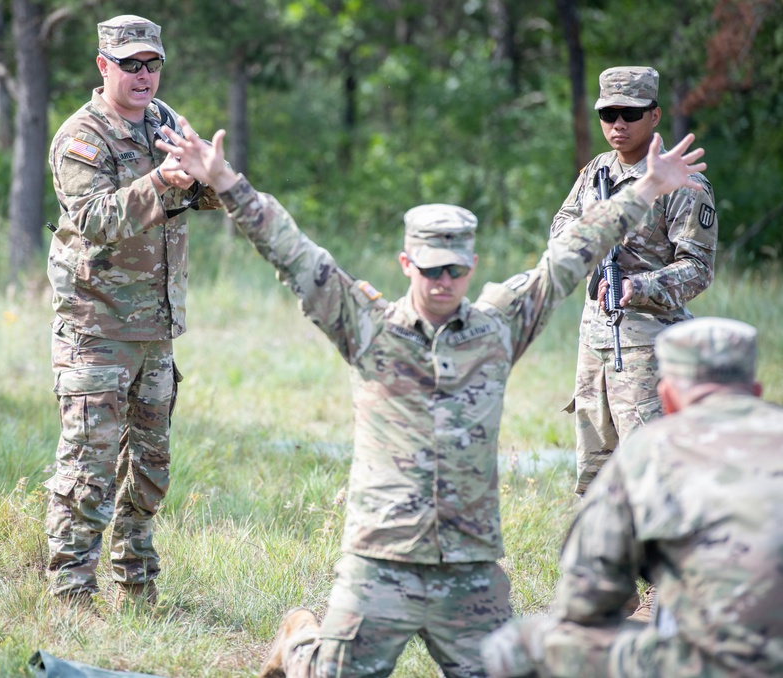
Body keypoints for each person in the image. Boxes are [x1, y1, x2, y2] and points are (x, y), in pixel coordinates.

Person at [154, 116, 707, 677]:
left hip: (470, 571)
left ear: (471, 267)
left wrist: (645, 189)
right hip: (380, 563)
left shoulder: (499, 328)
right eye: (431, 269)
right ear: (406, 265)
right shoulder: (366, 326)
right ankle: (301, 641)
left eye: (456, 269)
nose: (443, 281)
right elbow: (292, 251)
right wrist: (224, 180)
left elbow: (570, 258)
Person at [481, 317, 783, 678]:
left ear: (667, 398)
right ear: (756, 390)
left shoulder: (651, 451)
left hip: (706, 664)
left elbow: (583, 601)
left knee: (516, 645)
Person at [43, 13, 222, 610]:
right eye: (131, 65)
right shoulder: (82, 137)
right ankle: (71, 599)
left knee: (149, 469)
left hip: (155, 328)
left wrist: (206, 172)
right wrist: (164, 182)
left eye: (153, 64)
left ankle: (138, 589)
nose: (144, 76)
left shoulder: (164, 121)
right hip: (97, 329)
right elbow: (94, 220)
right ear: (104, 66)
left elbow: (206, 195)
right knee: (88, 471)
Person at [552, 66, 718, 500]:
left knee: (652, 476)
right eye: (608, 114)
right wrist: (595, 235)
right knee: (595, 476)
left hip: (648, 346)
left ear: (655, 116)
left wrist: (638, 286)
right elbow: (561, 231)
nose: (618, 124)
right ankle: (604, 560)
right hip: (595, 344)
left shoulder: (682, 183)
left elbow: (698, 267)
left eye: (630, 113)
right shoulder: (594, 172)